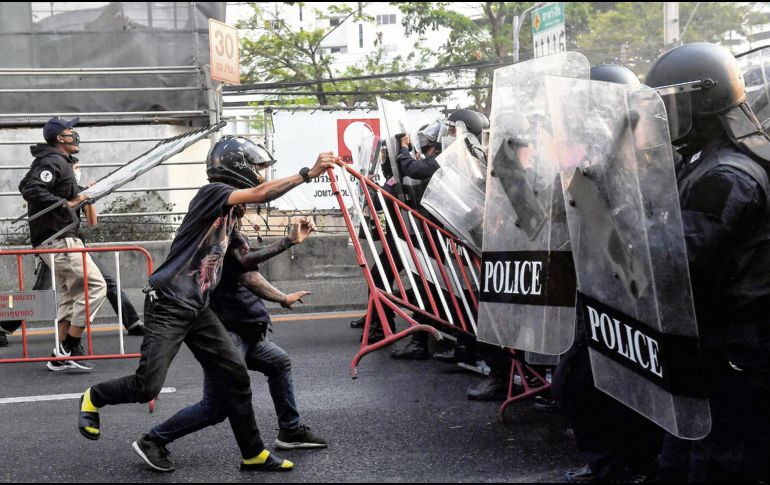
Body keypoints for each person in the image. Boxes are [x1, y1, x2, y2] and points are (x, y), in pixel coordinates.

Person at [78, 135, 337, 473]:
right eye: (257, 168)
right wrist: (309, 172)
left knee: (235, 376)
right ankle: (93, 397)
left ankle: (253, 453)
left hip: (198, 308)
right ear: (237, 168)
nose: (260, 175)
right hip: (168, 302)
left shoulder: (231, 217)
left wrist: (287, 244)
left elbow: (245, 265)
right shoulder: (211, 194)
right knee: (147, 387)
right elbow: (261, 193)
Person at [645, 43, 770, 483]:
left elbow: (678, 255)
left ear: (702, 101)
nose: (665, 115)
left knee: (719, 460)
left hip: (735, 344)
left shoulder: (726, 176)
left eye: (672, 103)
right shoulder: (702, 160)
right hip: (710, 339)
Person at [132, 216, 326, 472]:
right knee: (215, 407)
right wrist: (283, 291)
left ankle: (290, 430)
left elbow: (244, 269)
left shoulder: (228, 227)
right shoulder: (215, 236)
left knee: (278, 362)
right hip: (227, 335)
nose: (246, 207)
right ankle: (153, 439)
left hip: (247, 331)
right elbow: (246, 273)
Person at [552, 64, 664, 483]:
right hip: (595, 285)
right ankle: (610, 464)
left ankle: (636, 465)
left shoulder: (649, 159)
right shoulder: (587, 155)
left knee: (627, 389)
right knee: (576, 386)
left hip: (633, 290)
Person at [3, 160, 145, 352]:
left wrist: (90, 199)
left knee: (108, 281)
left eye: (78, 168)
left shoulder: (78, 190)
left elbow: (92, 222)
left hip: (76, 246)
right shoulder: (56, 192)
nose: (76, 171)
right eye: (73, 168)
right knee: (41, 292)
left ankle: (132, 322)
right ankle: (4, 326)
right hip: (56, 245)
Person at [19, 117, 108, 371]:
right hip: (59, 240)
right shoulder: (52, 160)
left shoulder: (58, 162)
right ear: (60, 137)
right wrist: (65, 204)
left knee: (70, 297)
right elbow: (30, 188)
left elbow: (33, 186)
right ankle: (71, 346)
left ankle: (59, 354)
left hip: (57, 239)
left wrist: (80, 196)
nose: (75, 135)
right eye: (71, 131)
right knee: (95, 286)